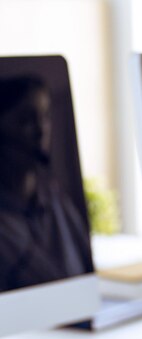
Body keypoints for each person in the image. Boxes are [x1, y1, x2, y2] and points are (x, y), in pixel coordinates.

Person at [0, 75, 93, 291]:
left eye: (45, 117)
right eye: (26, 120)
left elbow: (87, 270)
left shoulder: (55, 197)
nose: (41, 130)